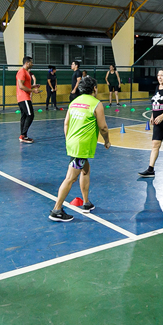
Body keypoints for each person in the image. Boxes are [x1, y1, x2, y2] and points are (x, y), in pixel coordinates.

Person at [49, 77, 110, 222]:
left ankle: (86, 202)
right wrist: (107, 141)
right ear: (94, 88)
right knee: (71, 178)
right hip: (81, 147)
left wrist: (69, 139)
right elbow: (103, 127)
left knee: (85, 170)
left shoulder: (74, 102)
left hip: (73, 143)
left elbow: (66, 124)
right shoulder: (96, 104)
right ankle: (56, 210)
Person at [17, 56, 41, 143]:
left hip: (23, 97)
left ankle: (23, 136)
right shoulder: (22, 72)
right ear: (27, 63)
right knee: (30, 115)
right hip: (24, 97)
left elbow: (25, 85)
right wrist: (32, 90)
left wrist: (33, 86)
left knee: (24, 116)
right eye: (31, 62)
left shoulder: (26, 72)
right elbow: (21, 86)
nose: (32, 64)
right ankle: (23, 135)